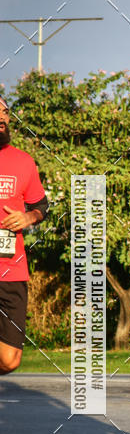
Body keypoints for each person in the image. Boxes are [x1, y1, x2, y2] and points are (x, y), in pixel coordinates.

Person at [0, 96, 49, 374]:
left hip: (12, 271)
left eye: (5, 112)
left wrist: (29, 217)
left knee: (10, 359)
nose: (2, 117)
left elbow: (41, 205)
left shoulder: (23, 161)